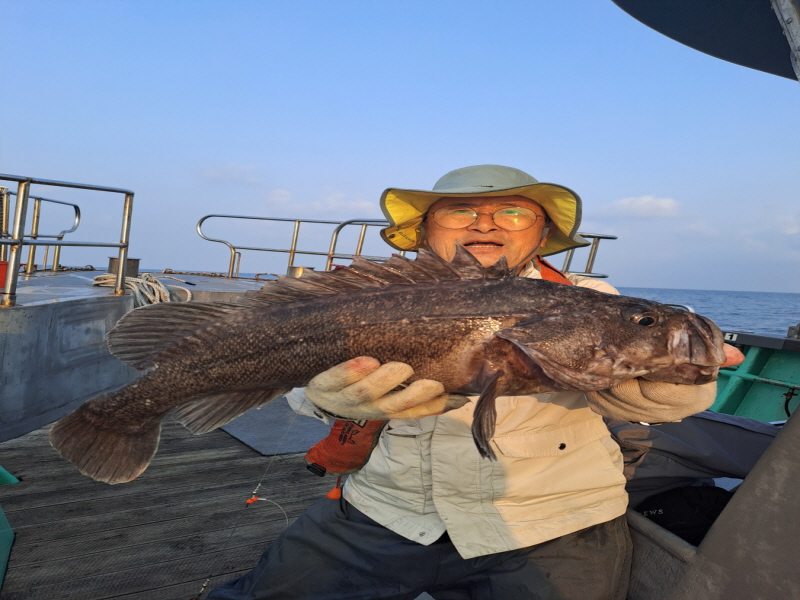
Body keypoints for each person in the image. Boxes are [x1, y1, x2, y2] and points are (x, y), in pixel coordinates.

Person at [208, 164, 737, 600]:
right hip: (386, 510)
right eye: (461, 211)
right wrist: (321, 398)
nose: (487, 223)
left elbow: (652, 401)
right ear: (424, 231)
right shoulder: (363, 296)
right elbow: (295, 373)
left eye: (513, 212)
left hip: (550, 521)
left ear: (541, 234)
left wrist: (679, 373)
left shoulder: (589, 297)